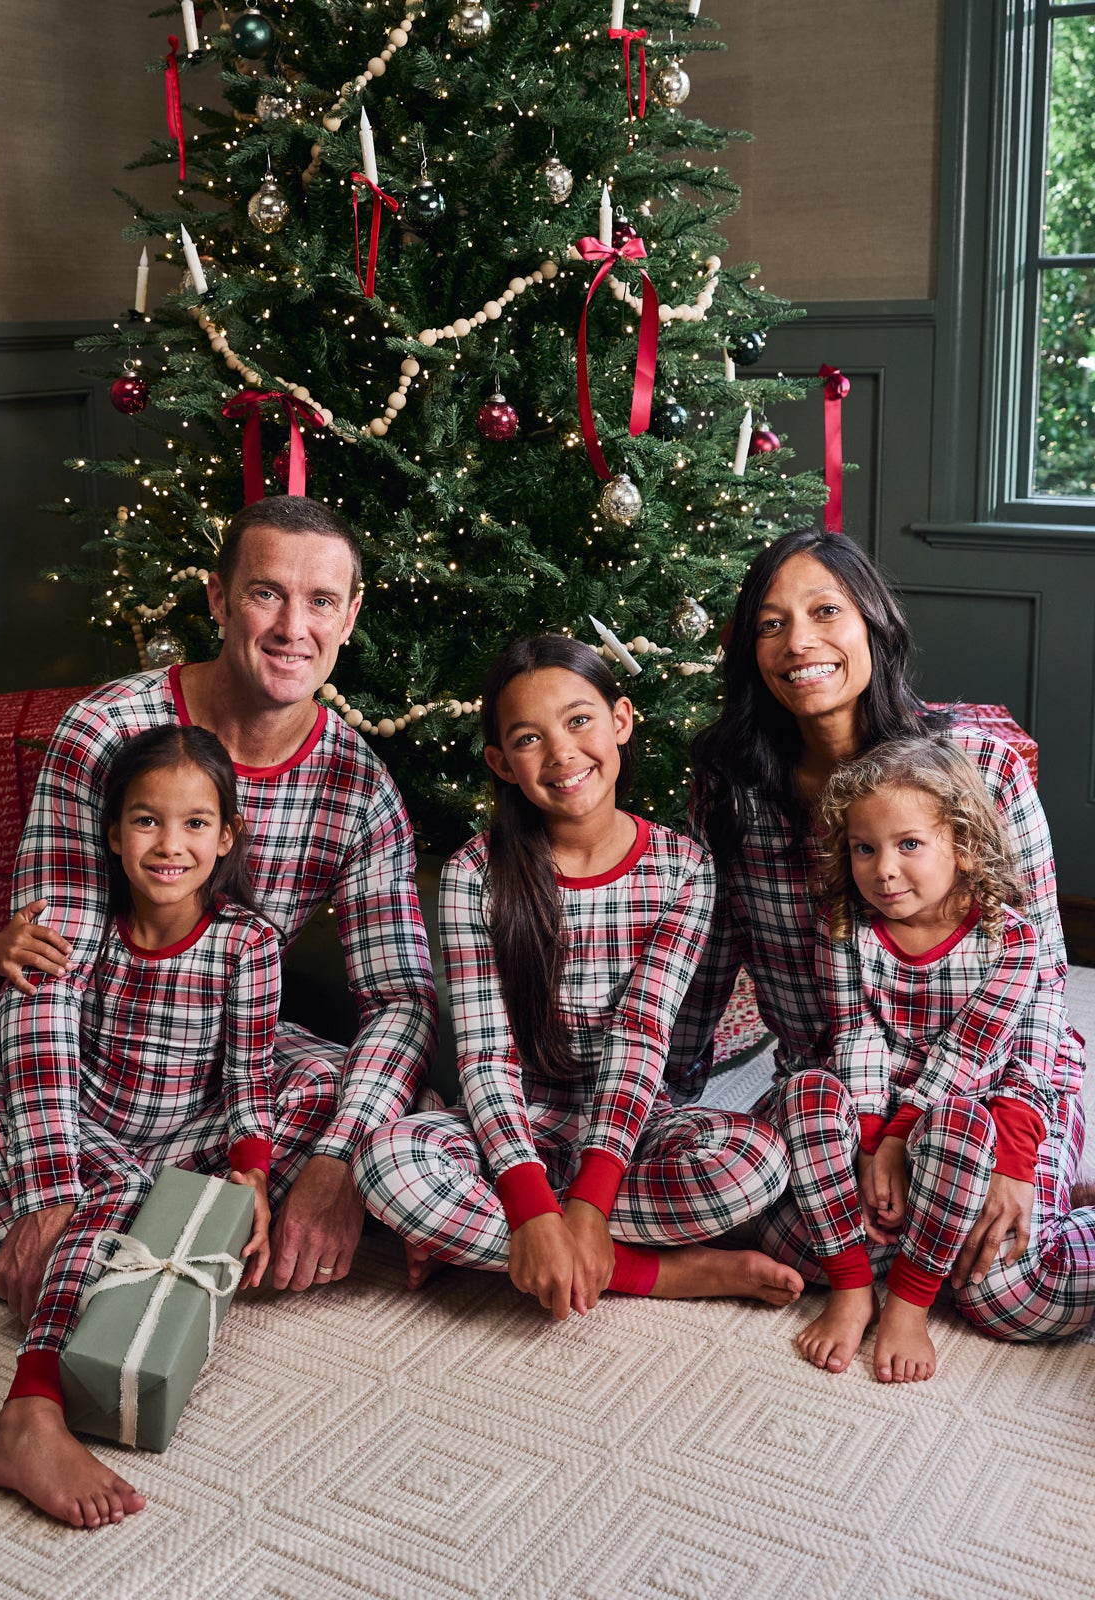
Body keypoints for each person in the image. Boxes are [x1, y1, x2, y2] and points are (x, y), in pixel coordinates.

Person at [0, 497, 436, 1344]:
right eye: (266, 593)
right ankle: (27, 1231)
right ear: (219, 598)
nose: (293, 627)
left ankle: (53, 1230)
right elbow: (46, 972)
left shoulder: (359, 786)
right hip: (71, 1050)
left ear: (351, 615)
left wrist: (337, 1162)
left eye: (321, 601)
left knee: (390, 1108)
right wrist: (44, 1189)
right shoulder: (107, 730)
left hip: (211, 1071)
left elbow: (401, 997)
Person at [0, 726, 324, 1525]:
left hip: (184, 1135)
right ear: (114, 833)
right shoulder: (80, 924)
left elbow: (248, 1079)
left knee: (323, 1091)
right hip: (82, 1130)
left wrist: (254, 1175)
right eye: (146, 821)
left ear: (227, 836)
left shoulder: (248, 943)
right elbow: (40, 1048)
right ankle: (30, 1410)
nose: (170, 845)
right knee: (115, 1194)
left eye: (196, 823)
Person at [670, 525, 1092, 1341]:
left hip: (991, 1083)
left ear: (874, 623)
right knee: (805, 1249)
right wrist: (657, 1101)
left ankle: (1048, 1179)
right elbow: (708, 962)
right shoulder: (732, 789)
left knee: (1008, 1292)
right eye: (771, 623)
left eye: (825, 611)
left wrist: (1015, 1149)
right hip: (839, 1091)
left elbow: (1042, 975)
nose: (799, 642)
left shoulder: (980, 767)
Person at [353, 635, 802, 1318]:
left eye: (579, 720)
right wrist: (529, 1203)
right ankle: (645, 1269)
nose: (561, 752)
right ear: (502, 764)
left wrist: (590, 1201)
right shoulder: (475, 872)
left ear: (620, 720)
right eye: (529, 739)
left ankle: (513, 1242)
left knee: (756, 1164)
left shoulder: (684, 869)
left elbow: (641, 1037)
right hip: (511, 1119)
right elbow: (485, 1055)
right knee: (386, 1166)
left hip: (631, 1122)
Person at [768, 736, 1052, 1381]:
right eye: (864, 848)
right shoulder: (845, 926)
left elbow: (969, 1052)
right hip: (868, 1100)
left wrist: (899, 1137)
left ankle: (909, 1299)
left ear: (964, 845)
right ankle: (851, 1285)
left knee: (963, 1131)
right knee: (804, 1092)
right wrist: (871, 1137)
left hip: (956, 1103)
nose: (884, 870)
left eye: (910, 845)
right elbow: (855, 1034)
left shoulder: (1009, 940)